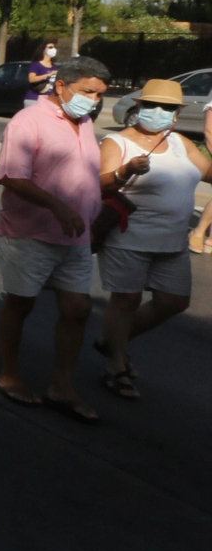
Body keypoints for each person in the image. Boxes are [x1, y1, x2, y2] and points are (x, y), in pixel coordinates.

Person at [0, 55, 112, 423]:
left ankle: (62, 386)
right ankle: (9, 374)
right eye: (87, 92)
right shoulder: (28, 121)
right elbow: (12, 176)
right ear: (61, 87)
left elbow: (87, 176)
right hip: (30, 233)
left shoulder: (86, 124)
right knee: (21, 304)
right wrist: (57, 207)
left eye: (99, 95)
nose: (93, 101)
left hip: (75, 237)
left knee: (78, 309)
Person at [95, 79, 212, 398]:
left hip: (172, 242)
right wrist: (126, 170)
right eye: (152, 105)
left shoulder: (180, 143)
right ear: (139, 107)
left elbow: (208, 172)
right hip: (128, 237)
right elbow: (101, 184)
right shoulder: (118, 142)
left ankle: (111, 342)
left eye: (168, 108)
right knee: (126, 301)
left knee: (174, 301)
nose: (159, 112)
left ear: (176, 114)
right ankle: (115, 365)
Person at [26, 40, 58, 108]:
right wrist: (47, 75)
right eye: (50, 47)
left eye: (54, 47)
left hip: (48, 100)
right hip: (35, 99)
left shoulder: (54, 66)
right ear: (43, 50)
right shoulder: (36, 65)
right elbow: (31, 79)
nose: (53, 49)